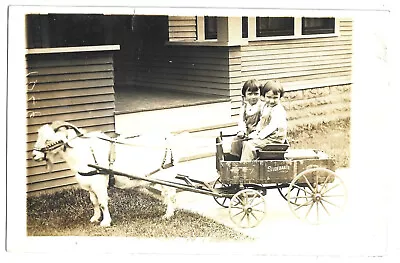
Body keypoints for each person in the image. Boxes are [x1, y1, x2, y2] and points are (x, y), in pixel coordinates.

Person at [240, 80, 288, 161]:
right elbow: (261, 122)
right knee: (245, 142)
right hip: (267, 136)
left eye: (275, 98)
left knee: (249, 145)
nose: (271, 101)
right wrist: (256, 132)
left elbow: (271, 127)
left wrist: (259, 136)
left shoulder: (278, 110)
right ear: (263, 96)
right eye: (268, 97)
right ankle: (245, 161)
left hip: (274, 139)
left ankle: (245, 168)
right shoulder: (266, 106)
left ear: (280, 97)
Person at [230, 79, 264, 159]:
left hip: (258, 135)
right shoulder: (244, 108)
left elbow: (262, 123)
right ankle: (234, 161)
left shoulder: (262, 107)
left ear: (260, 94)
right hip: (247, 134)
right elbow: (241, 121)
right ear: (245, 95)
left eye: (256, 94)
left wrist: (256, 133)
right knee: (236, 141)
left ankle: (245, 163)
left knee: (248, 144)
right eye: (250, 94)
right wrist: (241, 131)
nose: (253, 97)